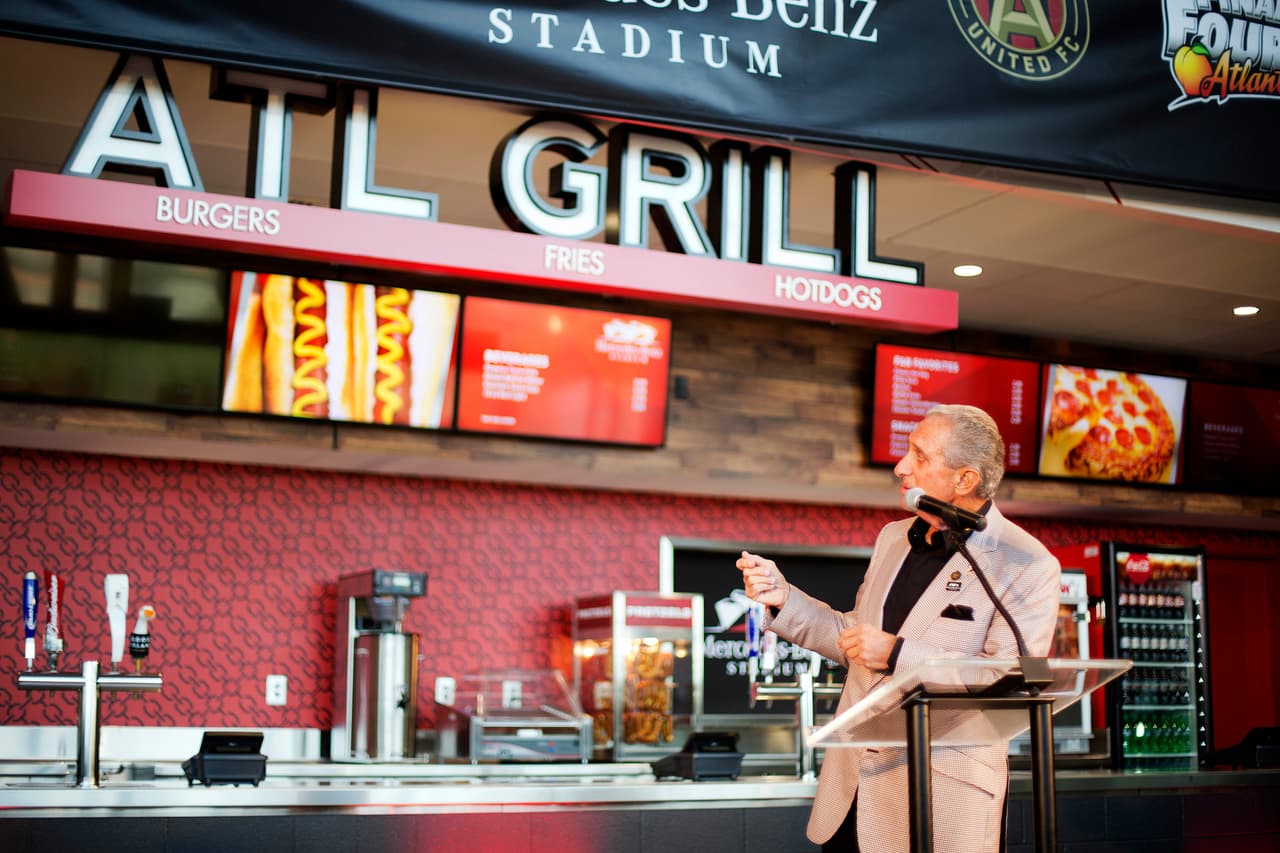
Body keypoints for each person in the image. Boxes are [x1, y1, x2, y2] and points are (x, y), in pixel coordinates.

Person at [737, 404, 1060, 853]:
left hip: (943, 798)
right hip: (852, 790)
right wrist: (785, 598)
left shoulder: (1025, 562)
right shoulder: (893, 537)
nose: (900, 467)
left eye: (920, 456)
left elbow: (1008, 678)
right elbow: (855, 637)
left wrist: (897, 654)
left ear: (964, 479)